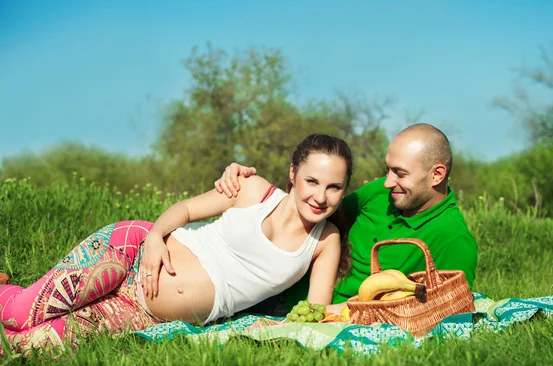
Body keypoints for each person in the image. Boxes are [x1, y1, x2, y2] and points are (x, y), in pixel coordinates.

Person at [0, 133, 353, 354]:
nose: (320, 196)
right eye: (312, 181)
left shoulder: (325, 241)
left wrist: (361, 309)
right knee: (18, 314)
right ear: (293, 173)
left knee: (26, 345)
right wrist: (154, 236)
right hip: (131, 254)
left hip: (142, 314)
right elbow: (184, 210)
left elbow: (314, 314)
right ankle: (9, 293)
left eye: (334, 187)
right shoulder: (252, 189)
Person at [215, 123, 478, 311]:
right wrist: (248, 186)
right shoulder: (383, 192)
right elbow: (318, 211)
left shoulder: (453, 238)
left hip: (322, 314)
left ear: (437, 175)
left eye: (400, 173)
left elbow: (446, 310)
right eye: (387, 170)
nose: (387, 182)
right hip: (274, 282)